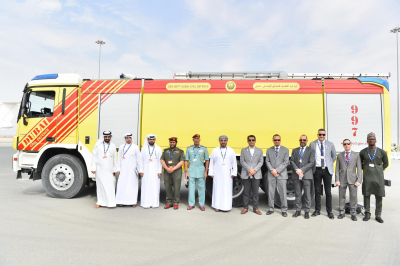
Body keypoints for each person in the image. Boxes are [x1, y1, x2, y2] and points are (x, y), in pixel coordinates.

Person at [359, 132, 389, 223]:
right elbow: (359, 164)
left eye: (373, 139)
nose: (371, 140)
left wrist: (379, 170)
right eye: (369, 139)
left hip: (378, 178)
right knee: (366, 195)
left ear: (375, 140)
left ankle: (378, 215)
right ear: (367, 141)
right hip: (367, 178)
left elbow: (386, 163)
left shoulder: (381, 152)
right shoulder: (363, 152)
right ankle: (367, 214)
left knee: (379, 196)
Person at [310, 129, 336, 219]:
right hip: (316, 170)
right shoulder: (312, 144)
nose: (322, 136)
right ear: (317, 135)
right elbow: (311, 156)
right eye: (320, 134)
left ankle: (330, 211)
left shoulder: (330, 144)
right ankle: (317, 210)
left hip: (327, 170)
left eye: (323, 134)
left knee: (328, 192)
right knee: (317, 191)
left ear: (325, 135)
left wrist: (328, 164)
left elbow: (333, 156)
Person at [335, 139, 362, 221]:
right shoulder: (339, 155)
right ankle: (341, 212)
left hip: (353, 179)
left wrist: (359, 180)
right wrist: (337, 179)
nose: (347, 145)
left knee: (353, 197)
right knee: (341, 197)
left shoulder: (356, 155)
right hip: (342, 179)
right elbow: (337, 169)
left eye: (348, 143)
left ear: (351, 144)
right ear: (343, 145)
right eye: (345, 144)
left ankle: (353, 213)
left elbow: (359, 169)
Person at [209, 135, 237, 212]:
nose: (223, 142)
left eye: (224, 140)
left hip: (227, 174)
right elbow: (212, 162)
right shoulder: (215, 150)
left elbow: (234, 162)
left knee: (226, 190)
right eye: (221, 140)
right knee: (217, 189)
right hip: (217, 173)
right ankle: (217, 206)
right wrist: (211, 172)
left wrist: (234, 173)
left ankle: (226, 206)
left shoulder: (231, 150)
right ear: (219, 141)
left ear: (227, 141)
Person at [290, 135, 315, 219]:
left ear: (307, 141)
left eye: (304, 140)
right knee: (297, 193)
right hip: (297, 175)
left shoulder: (311, 150)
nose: (302, 141)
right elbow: (292, 161)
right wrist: (297, 170)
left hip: (306, 175)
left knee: (307, 194)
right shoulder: (295, 150)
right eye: (301, 140)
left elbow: (311, 162)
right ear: (299, 140)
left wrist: (302, 170)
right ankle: (298, 210)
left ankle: (307, 211)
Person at [91, 131, 117, 208]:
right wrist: (93, 168)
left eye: (108, 137)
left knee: (110, 185)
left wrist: (115, 169)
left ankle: (110, 202)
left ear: (111, 137)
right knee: (100, 185)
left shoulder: (113, 145)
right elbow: (94, 157)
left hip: (110, 169)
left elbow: (115, 158)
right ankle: (100, 202)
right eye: (105, 137)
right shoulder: (98, 146)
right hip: (100, 169)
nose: (107, 138)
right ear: (103, 137)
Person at [265, 134, 289, 217]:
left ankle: (284, 209)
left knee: (283, 192)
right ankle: (271, 208)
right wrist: (272, 170)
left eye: (278, 140)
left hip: (281, 174)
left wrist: (277, 170)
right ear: (273, 140)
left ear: (280, 140)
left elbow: (286, 162)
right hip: (271, 174)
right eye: (275, 140)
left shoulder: (285, 150)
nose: (277, 141)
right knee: (271, 192)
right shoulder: (269, 150)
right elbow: (267, 161)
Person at [115, 133, 142, 207]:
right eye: (127, 138)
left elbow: (139, 160)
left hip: (132, 170)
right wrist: (118, 169)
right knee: (122, 185)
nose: (128, 139)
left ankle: (132, 201)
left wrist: (140, 170)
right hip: (123, 169)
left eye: (129, 138)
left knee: (132, 185)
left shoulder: (135, 147)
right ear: (125, 139)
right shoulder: (121, 147)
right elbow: (119, 159)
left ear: (131, 138)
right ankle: (121, 201)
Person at [239, 135, 263, 215]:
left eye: (253, 140)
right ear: (247, 141)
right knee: (246, 192)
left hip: (256, 174)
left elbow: (261, 162)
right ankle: (245, 207)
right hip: (247, 173)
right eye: (250, 140)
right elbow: (242, 161)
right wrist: (249, 170)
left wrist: (254, 170)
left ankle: (255, 208)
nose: (251, 141)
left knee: (256, 193)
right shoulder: (243, 150)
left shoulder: (259, 151)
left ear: (255, 141)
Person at [185, 134, 209, 211]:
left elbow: (207, 160)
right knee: (191, 189)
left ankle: (201, 204)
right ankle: (191, 204)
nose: (196, 140)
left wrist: (206, 171)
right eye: (195, 138)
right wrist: (186, 171)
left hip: (201, 170)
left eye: (197, 138)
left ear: (199, 139)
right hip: (191, 170)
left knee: (201, 188)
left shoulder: (204, 149)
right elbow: (186, 160)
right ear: (193, 140)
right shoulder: (189, 149)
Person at [160, 137, 185, 210]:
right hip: (167, 171)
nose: (172, 143)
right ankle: (169, 202)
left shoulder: (180, 151)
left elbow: (182, 161)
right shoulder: (166, 151)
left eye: (173, 142)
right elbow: (162, 160)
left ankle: (176, 203)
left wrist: (173, 168)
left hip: (176, 171)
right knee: (168, 187)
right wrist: (167, 168)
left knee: (177, 187)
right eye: (171, 142)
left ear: (176, 143)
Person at [140, 134, 162, 209]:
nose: (151, 140)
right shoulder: (144, 148)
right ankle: (145, 203)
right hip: (145, 171)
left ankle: (154, 203)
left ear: (155, 140)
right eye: (150, 139)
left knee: (154, 186)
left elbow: (160, 161)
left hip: (155, 171)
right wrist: (141, 170)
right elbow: (141, 160)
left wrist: (159, 171)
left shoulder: (158, 148)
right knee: (146, 186)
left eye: (153, 139)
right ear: (148, 140)